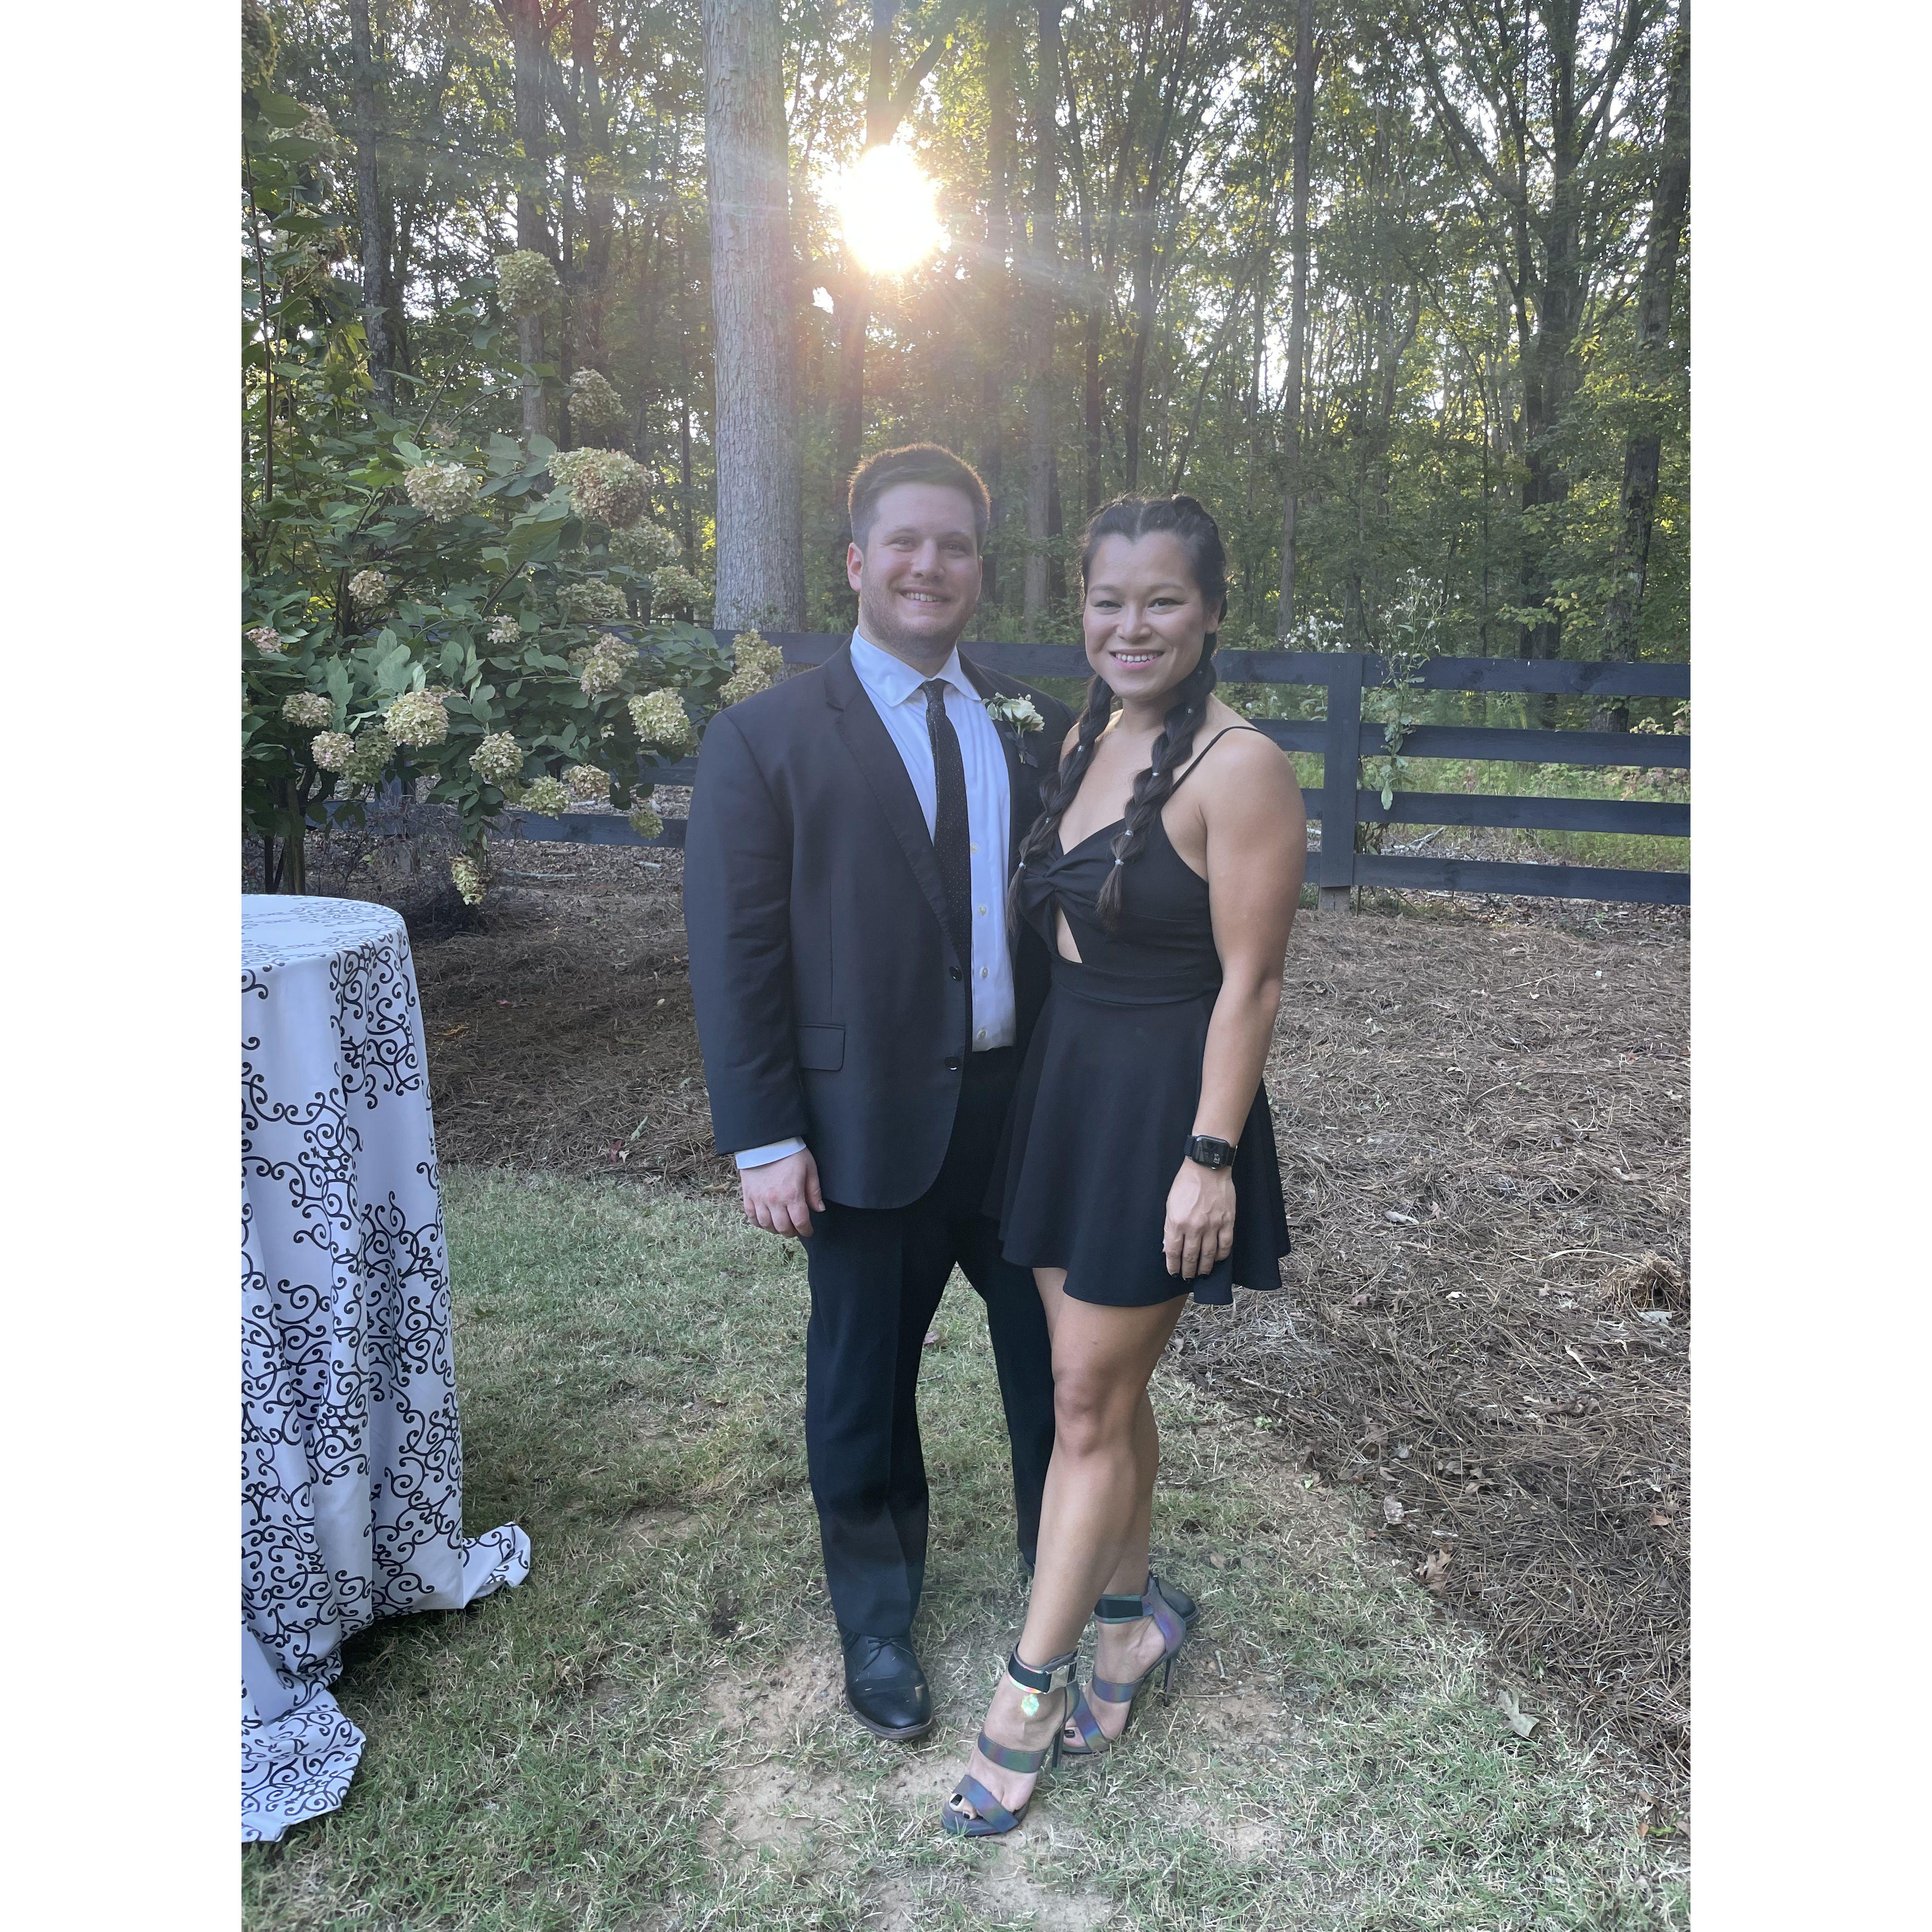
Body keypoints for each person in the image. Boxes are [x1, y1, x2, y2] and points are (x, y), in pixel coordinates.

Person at [683, 443, 1077, 1740]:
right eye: (904, 541)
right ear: (857, 563)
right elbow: (738, 954)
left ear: (980, 569)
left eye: (955, 544)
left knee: (1060, 1370)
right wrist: (764, 1137)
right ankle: (876, 1619)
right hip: (861, 1129)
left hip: (1022, 1120)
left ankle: (1066, 1577)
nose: (929, 565)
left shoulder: (1033, 725)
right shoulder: (766, 739)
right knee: (861, 1387)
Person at [942, 494, 1305, 1835]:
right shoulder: (1086, 736)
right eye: (1109, 601)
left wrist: (1210, 1158)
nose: (1132, 625)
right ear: (1083, 610)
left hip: (1163, 1111)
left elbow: (1253, 984)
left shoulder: (1242, 768)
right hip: (1067, 1096)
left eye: (1162, 601)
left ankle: (1025, 1697)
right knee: (1103, 1390)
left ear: (1211, 611)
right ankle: (1129, 1624)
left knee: (1085, 1406)